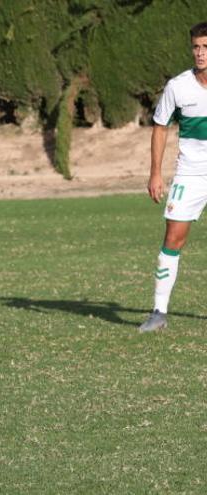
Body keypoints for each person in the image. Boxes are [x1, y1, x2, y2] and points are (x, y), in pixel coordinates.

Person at [140, 22, 207, 332]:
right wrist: (156, 172)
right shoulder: (177, 87)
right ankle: (158, 313)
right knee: (172, 238)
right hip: (190, 175)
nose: (200, 53)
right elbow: (160, 127)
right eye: (196, 47)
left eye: (206, 47)